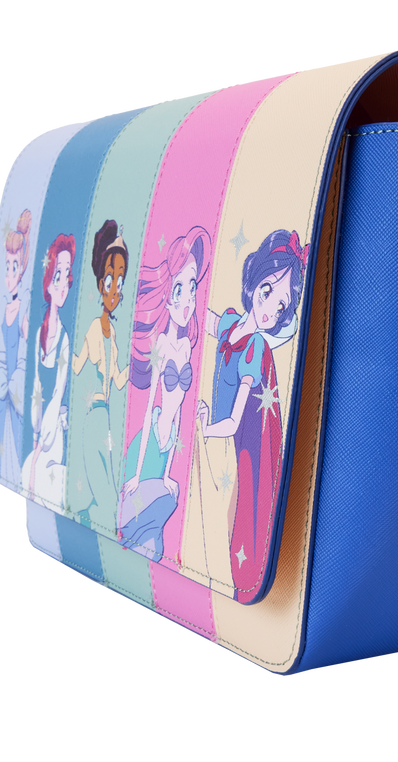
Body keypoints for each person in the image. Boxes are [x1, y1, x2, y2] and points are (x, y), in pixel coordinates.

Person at [198, 229, 308, 602]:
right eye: (267, 292)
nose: (270, 310)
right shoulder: (231, 323)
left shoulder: (256, 348)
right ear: (254, 280)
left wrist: (204, 426)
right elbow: (206, 320)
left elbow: (233, 422)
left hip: (232, 449)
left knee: (227, 521)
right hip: (217, 441)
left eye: (281, 307)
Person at [119, 226, 211, 562]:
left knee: (159, 517)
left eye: (192, 287)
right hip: (147, 443)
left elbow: (181, 410)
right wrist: (135, 473)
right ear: (166, 294)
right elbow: (148, 410)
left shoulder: (186, 347)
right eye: (179, 289)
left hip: (168, 439)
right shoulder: (162, 344)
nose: (187, 299)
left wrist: (170, 471)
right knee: (144, 508)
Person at [72, 220, 129, 530]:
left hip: (105, 417)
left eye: (120, 282)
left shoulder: (114, 335)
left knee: (109, 491)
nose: (115, 290)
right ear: (100, 285)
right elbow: (78, 365)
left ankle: (85, 515)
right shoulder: (95, 328)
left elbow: (117, 380)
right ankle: (86, 516)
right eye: (110, 281)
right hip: (93, 416)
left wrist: (143, 367)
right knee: (106, 495)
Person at [22, 233, 76, 513]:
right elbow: (35, 386)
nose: (64, 284)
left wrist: (41, 445)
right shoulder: (39, 335)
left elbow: (58, 393)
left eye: (67, 275)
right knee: (28, 474)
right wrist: (34, 438)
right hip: (39, 430)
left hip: (54, 435)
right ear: (48, 281)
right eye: (58, 275)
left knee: (43, 480)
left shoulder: (64, 339)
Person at [0, 209, 31, 490]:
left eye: (14, 266)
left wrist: (16, 380)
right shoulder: (4, 308)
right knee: (0, 448)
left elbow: (27, 351)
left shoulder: (22, 311)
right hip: (0, 388)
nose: (9, 274)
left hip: (17, 390)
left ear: (23, 267)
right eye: (6, 266)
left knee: (18, 444)